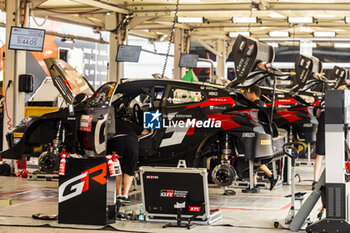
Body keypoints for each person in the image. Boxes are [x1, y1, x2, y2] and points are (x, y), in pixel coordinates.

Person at [243, 85, 278, 193]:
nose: (247, 95)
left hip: (257, 135)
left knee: (253, 159)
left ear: (253, 93)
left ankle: (271, 176)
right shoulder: (262, 103)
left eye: (248, 93)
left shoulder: (254, 106)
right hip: (264, 135)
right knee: (254, 160)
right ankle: (254, 185)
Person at [107, 99, 144, 201]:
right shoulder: (129, 123)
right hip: (132, 141)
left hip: (116, 141)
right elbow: (145, 132)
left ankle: (118, 194)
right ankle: (125, 195)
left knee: (117, 168)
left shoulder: (110, 122)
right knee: (130, 169)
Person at [313, 85, 348, 190]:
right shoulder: (344, 101)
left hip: (324, 126)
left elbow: (318, 114)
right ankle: (338, 177)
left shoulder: (326, 98)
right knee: (337, 155)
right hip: (336, 127)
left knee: (320, 155)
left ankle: (315, 181)